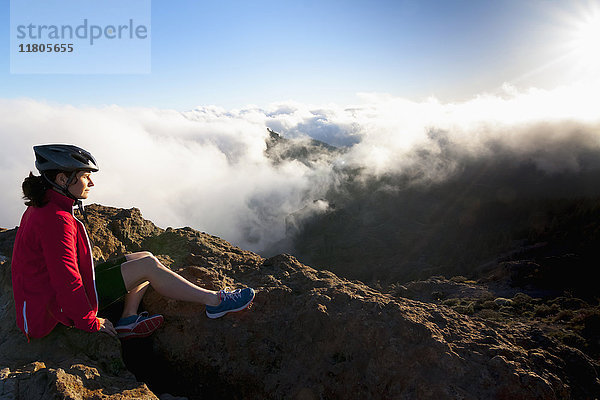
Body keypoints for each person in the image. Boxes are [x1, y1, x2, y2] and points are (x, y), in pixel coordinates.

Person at [11, 144, 255, 341]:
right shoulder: (56, 219)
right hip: (50, 314)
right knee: (147, 267)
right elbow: (66, 279)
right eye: (85, 176)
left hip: (43, 301)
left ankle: (128, 319)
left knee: (144, 255)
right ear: (63, 179)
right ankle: (215, 302)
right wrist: (89, 321)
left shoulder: (43, 206)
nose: (91, 183)